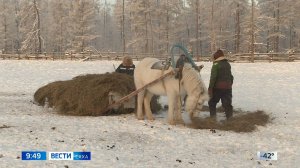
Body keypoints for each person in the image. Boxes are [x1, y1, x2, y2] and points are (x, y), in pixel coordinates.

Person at [208, 49, 234, 119]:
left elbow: (213, 77)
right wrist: (230, 84)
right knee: (227, 104)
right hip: (228, 87)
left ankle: (212, 119)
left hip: (218, 88)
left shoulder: (216, 64)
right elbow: (231, 76)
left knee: (212, 102)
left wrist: (210, 88)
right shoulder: (227, 64)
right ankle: (230, 119)